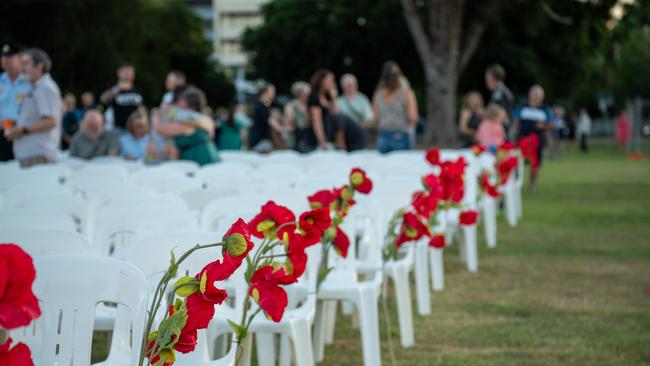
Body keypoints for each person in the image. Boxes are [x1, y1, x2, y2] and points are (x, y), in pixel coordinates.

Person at [4, 48, 62, 167]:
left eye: (26, 63)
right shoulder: (35, 88)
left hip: (38, 155)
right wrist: (12, 126)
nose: (22, 67)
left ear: (39, 66)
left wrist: (22, 130)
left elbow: (50, 121)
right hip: (31, 155)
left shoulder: (45, 88)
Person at [153, 85, 219, 165]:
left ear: (186, 103)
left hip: (199, 160)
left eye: (180, 100)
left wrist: (155, 114)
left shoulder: (188, 120)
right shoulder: (200, 119)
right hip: (205, 157)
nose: (177, 104)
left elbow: (160, 128)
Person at [309, 69, 366, 151]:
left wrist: (334, 98)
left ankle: (347, 144)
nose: (332, 83)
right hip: (322, 135)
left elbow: (336, 113)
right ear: (322, 81)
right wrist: (322, 141)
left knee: (342, 118)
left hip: (331, 131)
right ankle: (341, 146)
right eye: (330, 80)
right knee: (341, 117)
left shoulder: (328, 97)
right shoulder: (314, 98)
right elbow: (316, 122)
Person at [372, 61, 418, 153]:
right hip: (401, 136)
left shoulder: (378, 95)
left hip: (383, 136)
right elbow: (412, 117)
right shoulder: (406, 93)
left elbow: (375, 118)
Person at [514, 85, 553, 192]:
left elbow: (550, 124)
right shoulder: (522, 107)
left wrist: (543, 126)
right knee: (517, 161)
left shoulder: (545, 109)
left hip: (538, 139)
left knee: (535, 164)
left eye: (538, 94)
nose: (536, 96)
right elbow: (516, 121)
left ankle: (532, 186)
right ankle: (516, 184)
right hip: (523, 138)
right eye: (534, 93)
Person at [0, 41, 30, 161]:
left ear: (20, 58)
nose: (5, 59)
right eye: (2, 56)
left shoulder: (30, 82)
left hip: (22, 135)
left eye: (9, 56)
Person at [100, 63, 143, 131]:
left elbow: (141, 109)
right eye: (126, 72)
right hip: (117, 130)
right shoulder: (114, 89)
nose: (128, 74)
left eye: (130, 72)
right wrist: (117, 88)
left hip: (134, 130)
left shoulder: (137, 91)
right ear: (119, 73)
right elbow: (103, 99)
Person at [249, 84, 288, 152]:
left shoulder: (264, 106)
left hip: (263, 140)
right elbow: (270, 120)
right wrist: (283, 129)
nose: (274, 93)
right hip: (261, 141)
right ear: (265, 93)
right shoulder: (260, 106)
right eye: (272, 91)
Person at [485, 64, 514, 137]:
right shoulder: (502, 91)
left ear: (494, 79)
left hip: (500, 128)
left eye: (487, 78)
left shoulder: (499, 93)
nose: (486, 81)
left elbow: (501, 112)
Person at [284, 81, 312, 152]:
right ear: (300, 93)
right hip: (296, 135)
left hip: (308, 134)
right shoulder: (291, 106)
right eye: (307, 93)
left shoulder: (310, 105)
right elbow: (289, 123)